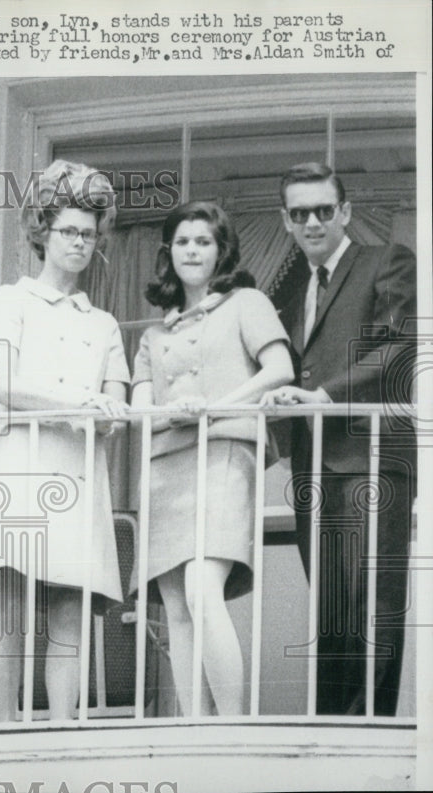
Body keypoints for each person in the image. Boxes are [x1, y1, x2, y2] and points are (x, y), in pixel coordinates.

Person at [0, 160, 129, 722]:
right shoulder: (9, 300)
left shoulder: (102, 322)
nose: (80, 243)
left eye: (88, 233)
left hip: (79, 472)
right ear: (43, 232)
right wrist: (75, 402)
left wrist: (107, 411)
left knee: (68, 607)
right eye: (68, 231)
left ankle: (61, 732)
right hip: (21, 467)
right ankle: (4, 731)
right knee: (9, 604)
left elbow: (116, 402)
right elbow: (0, 383)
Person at [261, 163, 416, 716]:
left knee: (373, 602)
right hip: (314, 464)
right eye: (300, 213)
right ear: (285, 220)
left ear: (345, 212)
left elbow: (398, 345)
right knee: (330, 607)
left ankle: (368, 734)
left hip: (370, 456)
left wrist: (325, 394)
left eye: (324, 210)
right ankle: (333, 731)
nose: (313, 222)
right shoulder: (291, 286)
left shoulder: (386, 262)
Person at [131, 201, 294, 716]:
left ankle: (231, 727)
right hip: (164, 465)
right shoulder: (154, 335)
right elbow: (139, 407)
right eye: (182, 241)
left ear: (221, 250)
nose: (192, 250)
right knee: (177, 607)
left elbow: (280, 368)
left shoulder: (247, 302)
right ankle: (193, 728)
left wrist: (213, 407)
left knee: (204, 590)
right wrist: (169, 411)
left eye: (203, 241)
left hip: (223, 451)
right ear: (168, 253)